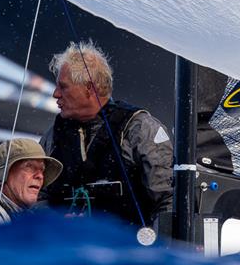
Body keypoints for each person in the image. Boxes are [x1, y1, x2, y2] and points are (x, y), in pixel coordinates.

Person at [40, 40, 173, 226]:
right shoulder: (54, 136)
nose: (55, 94)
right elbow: (37, 198)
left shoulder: (140, 129)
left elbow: (166, 202)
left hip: (128, 250)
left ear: (90, 88)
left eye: (63, 86)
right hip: (66, 251)